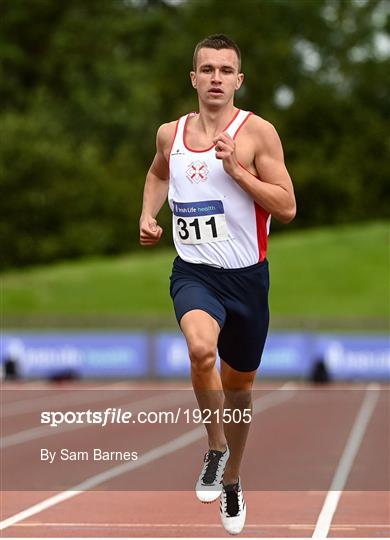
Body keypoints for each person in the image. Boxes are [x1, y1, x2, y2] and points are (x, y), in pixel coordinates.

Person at [139, 34, 296, 535]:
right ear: (193, 77)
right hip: (195, 274)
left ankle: (232, 479)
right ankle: (214, 446)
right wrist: (147, 213)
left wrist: (238, 171)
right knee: (201, 351)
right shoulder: (172, 133)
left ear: (238, 80)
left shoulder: (258, 134)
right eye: (207, 69)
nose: (215, 78)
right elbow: (158, 172)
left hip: (248, 280)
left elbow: (287, 207)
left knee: (240, 389)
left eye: (225, 70)